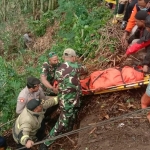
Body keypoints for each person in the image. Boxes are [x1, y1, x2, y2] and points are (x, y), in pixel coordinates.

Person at [40, 48, 88, 149]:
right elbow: (85, 70)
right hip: (68, 100)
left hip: (67, 99)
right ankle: (46, 142)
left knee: (73, 113)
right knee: (62, 122)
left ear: (63, 57)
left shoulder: (59, 69)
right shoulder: (76, 66)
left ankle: (70, 129)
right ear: (73, 57)